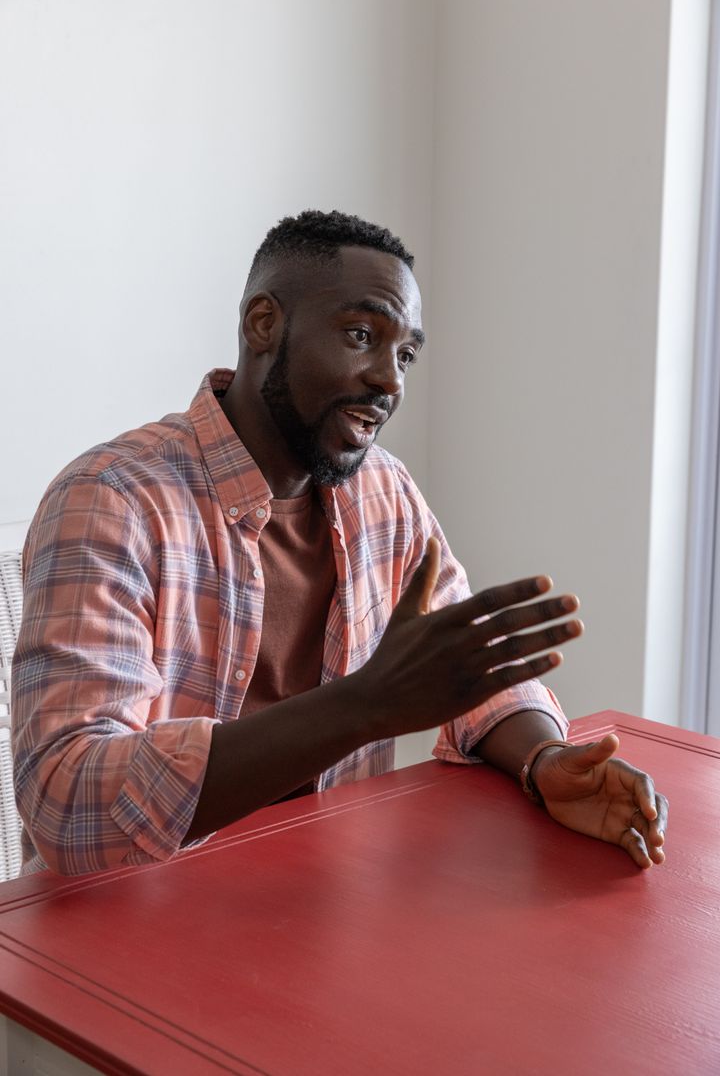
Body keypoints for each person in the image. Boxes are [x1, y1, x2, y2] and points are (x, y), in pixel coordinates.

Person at [12, 210, 668, 876]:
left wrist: (546, 761)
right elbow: (67, 800)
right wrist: (363, 706)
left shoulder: (384, 490)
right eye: (361, 335)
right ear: (264, 325)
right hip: (132, 912)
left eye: (405, 354)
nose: (391, 380)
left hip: (329, 897)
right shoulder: (111, 499)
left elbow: (460, 670)